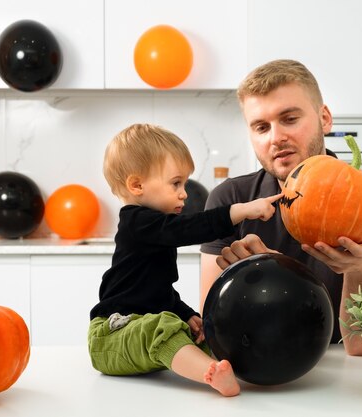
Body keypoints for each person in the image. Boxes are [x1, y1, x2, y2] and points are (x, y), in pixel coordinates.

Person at [199, 59, 362, 357]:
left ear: (325, 118)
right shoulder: (229, 199)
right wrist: (269, 273)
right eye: (261, 127)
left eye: (289, 118)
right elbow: (213, 334)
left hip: (342, 370)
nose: (275, 137)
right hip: (260, 366)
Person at [88, 123, 282, 396]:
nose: (184, 193)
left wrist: (187, 314)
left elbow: (157, 291)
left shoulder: (154, 231)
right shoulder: (136, 221)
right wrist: (240, 211)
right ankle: (210, 375)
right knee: (161, 326)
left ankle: (225, 366)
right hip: (112, 337)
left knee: (199, 333)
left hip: (144, 329)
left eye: (185, 183)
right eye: (175, 183)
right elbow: (189, 228)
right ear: (137, 185)